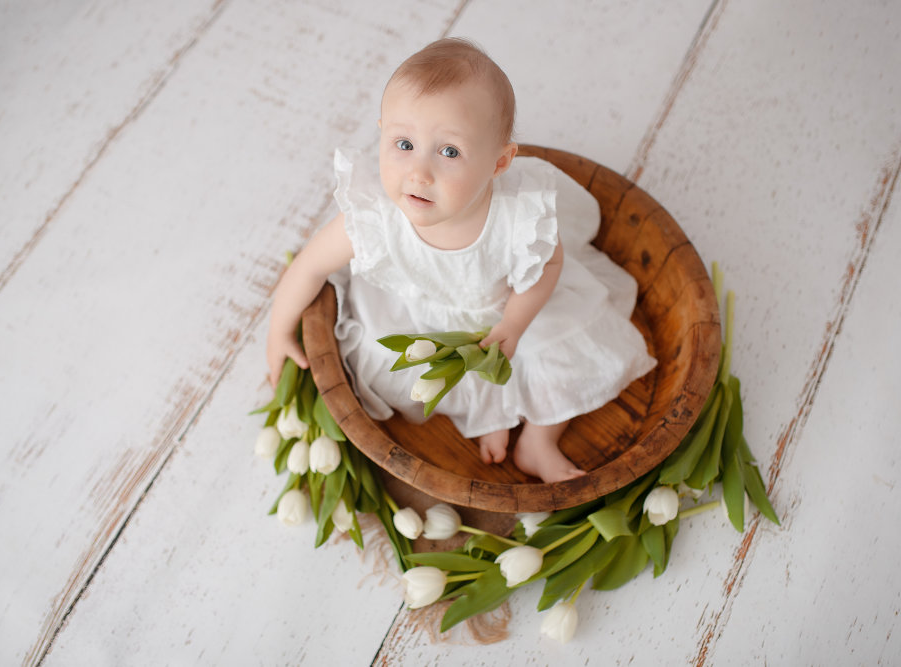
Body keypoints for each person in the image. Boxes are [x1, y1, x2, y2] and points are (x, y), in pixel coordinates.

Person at [266, 38, 655, 483]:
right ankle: (485, 414)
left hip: (504, 312)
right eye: (403, 143)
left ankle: (538, 441)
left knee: (566, 354)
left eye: (449, 152)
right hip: (420, 311)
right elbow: (310, 266)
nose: (419, 172)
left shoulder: (516, 219)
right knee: (391, 364)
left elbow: (547, 268)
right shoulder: (376, 217)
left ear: (499, 161)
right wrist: (278, 330)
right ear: (381, 130)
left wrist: (514, 324)